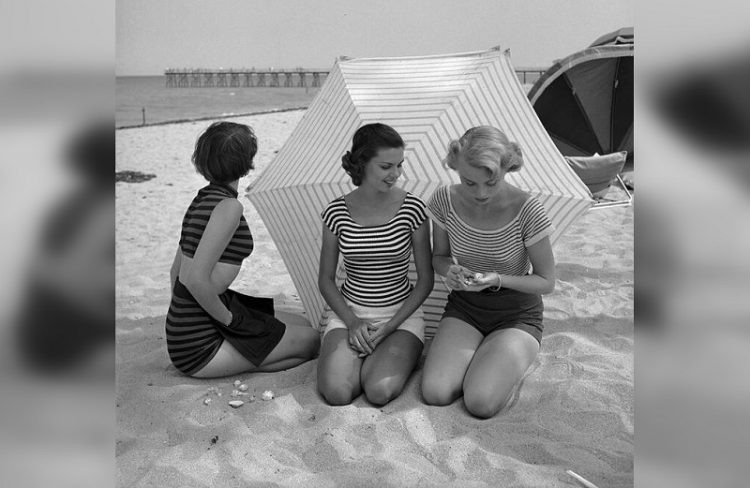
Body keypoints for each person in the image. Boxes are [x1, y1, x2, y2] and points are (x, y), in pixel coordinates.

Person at [421, 126, 556, 419]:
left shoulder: (528, 209)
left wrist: (498, 279)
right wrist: (450, 271)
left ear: (506, 169)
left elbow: (547, 282)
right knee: (435, 392)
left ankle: (501, 358)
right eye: (469, 182)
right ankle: (484, 358)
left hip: (516, 314)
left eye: (490, 183)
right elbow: (439, 258)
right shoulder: (444, 199)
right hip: (465, 307)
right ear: (456, 167)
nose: (480, 193)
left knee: (480, 402)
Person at [166, 121, 319, 378]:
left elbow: (175, 272)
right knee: (312, 341)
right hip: (200, 346)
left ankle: (249, 356)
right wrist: (229, 322)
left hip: (188, 326)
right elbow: (194, 279)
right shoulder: (229, 207)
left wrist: (183, 320)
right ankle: (248, 359)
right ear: (246, 162)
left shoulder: (201, 199)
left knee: (302, 323)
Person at [317, 123, 433, 406]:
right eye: (386, 166)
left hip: (400, 316)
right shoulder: (336, 212)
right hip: (350, 313)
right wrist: (352, 321)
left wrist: (391, 326)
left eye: (399, 165)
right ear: (362, 164)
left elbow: (426, 281)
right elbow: (326, 279)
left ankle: (385, 357)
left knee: (379, 392)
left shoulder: (413, 209)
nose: (396, 174)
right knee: (337, 393)